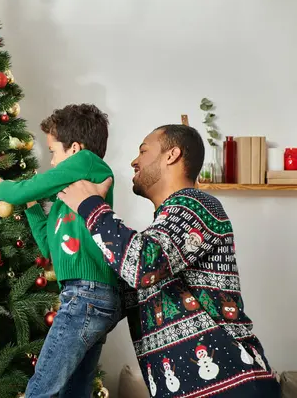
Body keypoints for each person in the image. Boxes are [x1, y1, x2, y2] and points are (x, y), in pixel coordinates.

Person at [57, 125, 280, 397]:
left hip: (231, 386)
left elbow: (143, 263)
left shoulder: (197, 205)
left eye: (143, 150)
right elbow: (114, 290)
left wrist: (91, 206)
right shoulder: (161, 234)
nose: (134, 161)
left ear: (172, 155)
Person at [0, 104, 122, 397]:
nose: (52, 163)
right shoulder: (66, 201)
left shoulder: (88, 162)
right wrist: (32, 206)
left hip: (87, 295)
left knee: (41, 389)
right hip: (85, 295)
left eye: (53, 152)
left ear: (74, 149)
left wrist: (0, 187)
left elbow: (25, 188)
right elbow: (49, 247)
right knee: (74, 392)